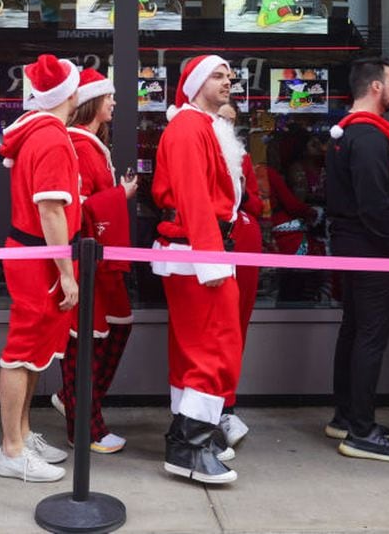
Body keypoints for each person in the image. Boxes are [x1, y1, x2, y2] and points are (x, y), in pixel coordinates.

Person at [152, 55, 244, 484]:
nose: (228, 80)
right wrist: (212, 260)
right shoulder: (189, 128)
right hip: (199, 253)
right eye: (218, 74)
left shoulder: (197, 126)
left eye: (229, 74)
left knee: (196, 350)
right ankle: (189, 445)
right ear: (193, 83)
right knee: (214, 348)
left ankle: (193, 436)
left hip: (196, 251)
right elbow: (193, 198)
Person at [0, 55, 82, 482]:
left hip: (35, 255)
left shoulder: (41, 133)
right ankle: (12, 449)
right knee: (21, 353)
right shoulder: (50, 138)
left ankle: (22, 435)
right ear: (72, 93)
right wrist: (65, 271)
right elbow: (50, 210)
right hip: (39, 259)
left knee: (32, 353)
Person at [324, 55, 389, 463]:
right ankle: (361, 430)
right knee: (369, 337)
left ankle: (347, 417)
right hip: (372, 249)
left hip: (351, 245)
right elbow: (375, 203)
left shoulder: (347, 134)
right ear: (376, 87)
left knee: (355, 331)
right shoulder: (370, 138)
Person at [53, 68, 137, 454]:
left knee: (108, 333)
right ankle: (84, 424)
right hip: (88, 263)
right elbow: (78, 206)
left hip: (97, 263)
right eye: (109, 97)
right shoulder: (78, 145)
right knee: (85, 344)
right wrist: (120, 195)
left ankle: (78, 406)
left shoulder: (87, 144)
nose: (115, 103)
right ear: (93, 102)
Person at [217, 101, 262, 447]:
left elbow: (259, 204)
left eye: (233, 122)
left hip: (243, 245)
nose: (226, 126)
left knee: (236, 329)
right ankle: (204, 411)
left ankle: (226, 406)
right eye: (221, 119)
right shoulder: (192, 145)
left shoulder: (241, 157)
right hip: (208, 246)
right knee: (210, 332)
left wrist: (245, 190)